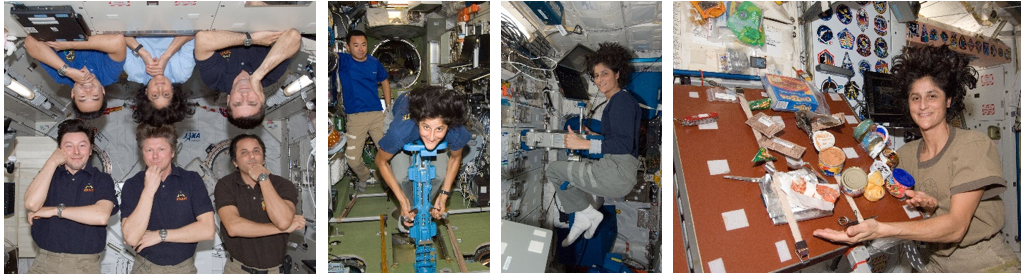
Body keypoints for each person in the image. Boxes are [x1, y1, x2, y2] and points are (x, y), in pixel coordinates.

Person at [813, 45, 1019, 273]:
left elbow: (956, 227)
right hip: (936, 262)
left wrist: (881, 229)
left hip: (982, 262)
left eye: (932, 96)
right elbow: (881, 196)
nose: (922, 106)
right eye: (915, 97)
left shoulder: (973, 145)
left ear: (948, 100)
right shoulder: (907, 155)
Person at [547, 42, 641, 247]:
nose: (599, 80)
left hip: (617, 173)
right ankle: (584, 215)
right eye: (596, 75)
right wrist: (595, 135)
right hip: (617, 170)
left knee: (554, 170)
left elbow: (624, 145)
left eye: (604, 74)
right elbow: (617, 139)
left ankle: (587, 214)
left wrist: (586, 144)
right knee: (567, 177)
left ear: (617, 74)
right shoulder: (619, 101)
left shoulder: (620, 102)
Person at [22, 119, 118, 273]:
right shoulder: (49, 176)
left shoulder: (101, 179)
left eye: (82, 145)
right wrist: (52, 161)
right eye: (68, 146)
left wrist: (55, 210)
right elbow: (32, 204)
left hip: (84, 266)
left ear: (91, 149)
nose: (76, 152)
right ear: (59, 149)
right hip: (43, 263)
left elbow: (101, 216)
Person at [121, 124, 214, 273]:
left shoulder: (191, 180)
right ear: (142, 154)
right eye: (149, 150)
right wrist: (149, 190)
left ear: (172, 152)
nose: (155, 156)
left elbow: (207, 230)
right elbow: (131, 237)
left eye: (161, 149)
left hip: (183, 267)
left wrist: (160, 235)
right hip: (144, 268)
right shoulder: (132, 185)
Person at [374, 85, 469, 229]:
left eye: (439, 129)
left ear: (448, 126)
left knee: (439, 175)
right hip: (399, 116)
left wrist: (444, 195)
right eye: (426, 127)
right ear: (418, 122)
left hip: (423, 121)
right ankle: (409, 208)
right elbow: (381, 161)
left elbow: (455, 158)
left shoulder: (455, 129)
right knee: (400, 177)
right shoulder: (400, 131)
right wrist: (402, 200)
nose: (431, 137)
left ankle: (425, 206)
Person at [215, 134, 305, 274]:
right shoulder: (226, 185)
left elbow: (282, 221)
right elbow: (233, 227)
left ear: (263, 158)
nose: (252, 156)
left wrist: (263, 179)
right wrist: (283, 229)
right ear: (235, 162)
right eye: (244, 152)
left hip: (275, 271)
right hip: (238, 270)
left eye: (256, 151)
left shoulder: (283, 185)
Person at [193, 29, 300, 129]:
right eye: (251, 101)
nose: (244, 95)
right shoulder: (271, 75)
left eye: (238, 102)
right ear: (262, 98)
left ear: (229, 100)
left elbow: (202, 39)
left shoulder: (214, 79)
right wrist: (258, 75)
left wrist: (251, 39)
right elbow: (293, 36)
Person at [23, 34, 126, 119]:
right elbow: (118, 41)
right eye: (95, 96)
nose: (88, 91)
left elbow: (30, 41)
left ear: (73, 94)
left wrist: (67, 70)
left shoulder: (60, 77)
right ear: (102, 90)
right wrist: (70, 44)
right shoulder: (109, 75)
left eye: (82, 96)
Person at [338, 29, 391, 191]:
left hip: (376, 115)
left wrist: (388, 107)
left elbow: (385, 81)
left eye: (363, 45)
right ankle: (364, 175)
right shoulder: (343, 61)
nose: (360, 48)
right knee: (352, 159)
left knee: (388, 153)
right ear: (348, 47)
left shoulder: (374, 63)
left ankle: (381, 175)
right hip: (356, 118)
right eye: (355, 45)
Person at [125, 35, 197, 126]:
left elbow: (119, 36)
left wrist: (143, 53)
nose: (160, 88)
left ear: (146, 93)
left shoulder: (134, 72)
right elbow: (191, 34)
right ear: (173, 91)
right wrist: (166, 56)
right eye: (166, 94)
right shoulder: (182, 73)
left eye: (155, 95)